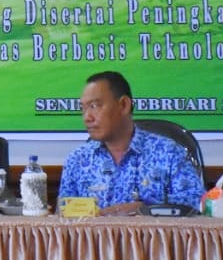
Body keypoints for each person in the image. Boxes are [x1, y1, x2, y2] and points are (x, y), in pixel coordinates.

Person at [58, 71, 205, 214]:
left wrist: (146, 209)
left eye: (94, 106)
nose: (87, 117)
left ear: (124, 105)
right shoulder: (77, 160)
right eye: (83, 108)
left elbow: (197, 204)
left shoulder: (169, 153)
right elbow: (63, 217)